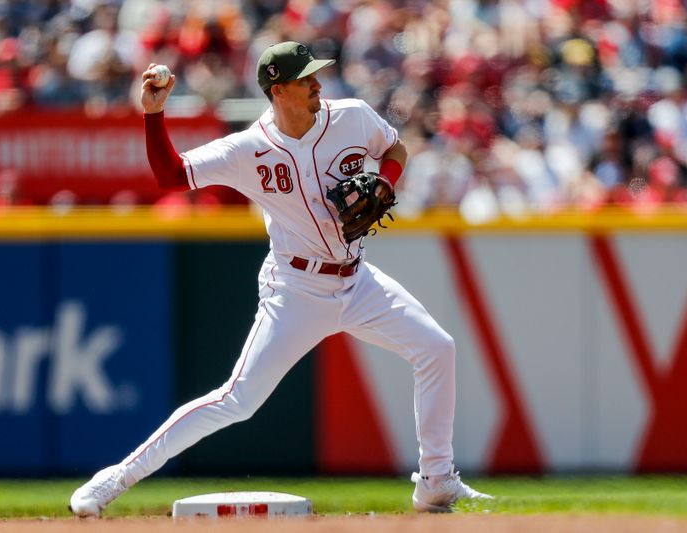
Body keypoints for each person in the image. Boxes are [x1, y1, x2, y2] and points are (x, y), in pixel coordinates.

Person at [69, 41, 492, 517]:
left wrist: (388, 179)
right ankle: (113, 479)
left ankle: (435, 481)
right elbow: (171, 175)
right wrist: (154, 116)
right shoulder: (248, 148)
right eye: (305, 78)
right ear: (278, 89)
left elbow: (394, 147)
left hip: (359, 280)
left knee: (436, 348)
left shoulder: (350, 115)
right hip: (296, 290)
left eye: (316, 75)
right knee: (237, 400)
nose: (317, 84)